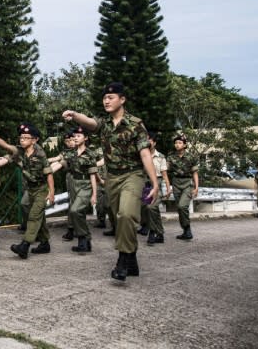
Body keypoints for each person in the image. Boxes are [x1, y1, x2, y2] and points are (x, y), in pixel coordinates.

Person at [62, 82, 159, 282]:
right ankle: (131, 259)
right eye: (104, 98)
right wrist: (74, 115)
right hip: (112, 177)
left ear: (122, 100)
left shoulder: (135, 124)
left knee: (126, 215)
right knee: (118, 219)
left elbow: (145, 154)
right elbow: (91, 123)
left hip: (132, 175)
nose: (106, 100)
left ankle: (122, 261)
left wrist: (154, 182)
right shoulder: (104, 123)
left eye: (111, 97)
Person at [0, 123, 55, 259]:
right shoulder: (19, 151)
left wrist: (51, 193)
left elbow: (49, 174)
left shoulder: (40, 154)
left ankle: (24, 245)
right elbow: (7, 148)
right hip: (30, 189)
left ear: (34, 140)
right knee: (26, 206)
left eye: (26, 138)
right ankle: (44, 243)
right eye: (21, 137)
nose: (22, 140)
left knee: (34, 216)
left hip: (41, 189)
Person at [49, 127, 97, 253]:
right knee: (77, 212)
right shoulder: (70, 153)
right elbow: (59, 163)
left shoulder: (90, 154)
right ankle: (86, 240)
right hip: (74, 183)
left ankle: (82, 239)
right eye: (74, 136)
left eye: (79, 136)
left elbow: (93, 175)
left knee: (75, 210)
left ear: (85, 138)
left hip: (86, 184)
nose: (75, 138)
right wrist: (46, 173)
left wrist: (94, 194)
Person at [167, 134, 199, 240]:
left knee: (182, 206)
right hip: (176, 183)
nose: (177, 145)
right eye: (176, 143)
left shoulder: (191, 156)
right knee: (180, 209)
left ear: (185, 145)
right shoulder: (171, 157)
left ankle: (187, 229)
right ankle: (185, 231)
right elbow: (165, 170)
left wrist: (196, 187)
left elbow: (195, 173)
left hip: (187, 183)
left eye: (180, 143)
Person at [48, 131, 77, 241]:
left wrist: (47, 171)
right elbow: (55, 159)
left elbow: (59, 162)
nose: (69, 143)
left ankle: (78, 231)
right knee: (72, 203)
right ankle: (72, 229)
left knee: (76, 206)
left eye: (71, 140)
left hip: (82, 179)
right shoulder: (67, 152)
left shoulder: (82, 150)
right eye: (66, 141)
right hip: (71, 178)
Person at [144, 132, 170, 245]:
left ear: (154, 143)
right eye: (146, 140)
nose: (148, 142)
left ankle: (152, 232)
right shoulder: (141, 155)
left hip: (157, 182)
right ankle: (160, 234)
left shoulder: (160, 157)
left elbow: (164, 175)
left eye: (150, 140)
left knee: (151, 207)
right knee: (152, 210)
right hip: (145, 183)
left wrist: (168, 188)